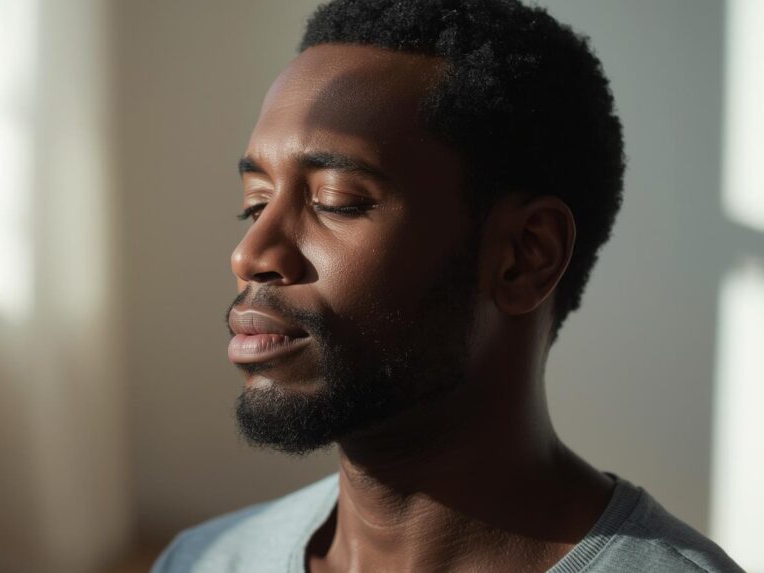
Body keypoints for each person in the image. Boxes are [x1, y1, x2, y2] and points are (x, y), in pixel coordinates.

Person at [153, 0, 744, 571]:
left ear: (524, 258)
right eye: (255, 204)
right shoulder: (204, 561)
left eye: (338, 201)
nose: (250, 254)